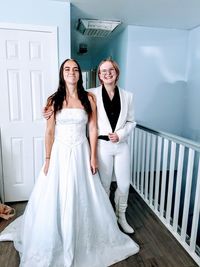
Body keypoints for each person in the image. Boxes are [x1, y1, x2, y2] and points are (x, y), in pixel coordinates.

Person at [0, 59, 139, 267]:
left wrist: (93, 156)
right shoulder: (53, 100)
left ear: (79, 74)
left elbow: (92, 128)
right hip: (59, 153)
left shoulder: (88, 97)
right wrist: (47, 159)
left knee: (86, 193)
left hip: (82, 151)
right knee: (57, 195)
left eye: (75, 69)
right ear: (62, 74)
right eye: (67, 69)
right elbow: (49, 131)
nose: (71, 72)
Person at [44, 58, 136, 234]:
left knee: (123, 185)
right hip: (83, 147)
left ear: (117, 72)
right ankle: (103, 218)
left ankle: (119, 217)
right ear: (99, 76)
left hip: (112, 145)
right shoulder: (88, 94)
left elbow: (129, 121)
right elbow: (49, 131)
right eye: (103, 71)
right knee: (101, 185)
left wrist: (120, 135)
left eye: (111, 70)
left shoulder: (121, 96)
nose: (107, 73)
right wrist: (47, 157)